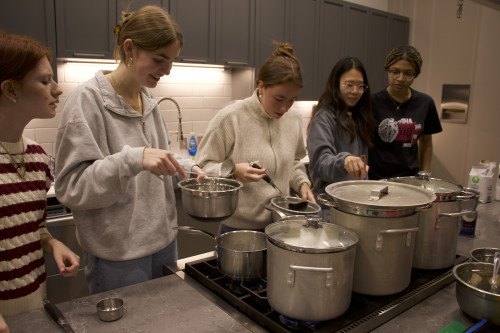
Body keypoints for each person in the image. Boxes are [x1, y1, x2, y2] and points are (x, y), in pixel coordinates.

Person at [54, 6, 204, 294]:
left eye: (172, 60)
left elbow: (157, 160)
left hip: (163, 244)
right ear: (130, 48)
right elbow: (71, 188)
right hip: (116, 257)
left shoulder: (147, 100)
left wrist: (188, 168)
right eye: (160, 59)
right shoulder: (87, 101)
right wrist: (133, 158)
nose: (168, 71)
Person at [0, 33, 80, 323]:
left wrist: (53, 243)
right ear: (10, 89)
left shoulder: (37, 158)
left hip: (37, 305)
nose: (57, 90)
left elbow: (33, 229)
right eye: (45, 81)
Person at [195, 41, 314, 234]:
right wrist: (233, 171)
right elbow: (200, 168)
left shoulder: (293, 118)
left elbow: (294, 161)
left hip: (281, 225)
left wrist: (302, 183)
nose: (285, 108)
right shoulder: (230, 118)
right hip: (238, 229)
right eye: (279, 98)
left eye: (292, 99)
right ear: (261, 86)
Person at [307, 57, 374, 219]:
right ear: (336, 84)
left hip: (355, 206)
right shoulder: (323, 118)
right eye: (349, 84)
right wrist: (345, 160)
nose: (355, 91)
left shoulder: (359, 117)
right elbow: (321, 164)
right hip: (331, 209)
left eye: (360, 86)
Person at [368, 45, 442, 180]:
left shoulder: (425, 103)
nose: (401, 78)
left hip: (410, 179)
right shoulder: (371, 102)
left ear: (416, 74)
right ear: (387, 70)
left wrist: (424, 174)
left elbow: (426, 142)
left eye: (408, 73)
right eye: (395, 71)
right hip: (376, 179)